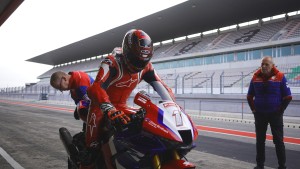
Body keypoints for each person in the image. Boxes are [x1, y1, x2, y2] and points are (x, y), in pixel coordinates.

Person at [80, 29, 175, 169]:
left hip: (122, 106)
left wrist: (173, 106)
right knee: (91, 150)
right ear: (126, 51)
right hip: (100, 105)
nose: (138, 64)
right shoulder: (111, 62)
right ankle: (87, 160)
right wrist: (109, 108)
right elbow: (96, 88)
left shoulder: (147, 67)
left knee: (146, 128)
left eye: (143, 61)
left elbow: (162, 87)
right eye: (136, 59)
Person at [247, 56, 292, 169]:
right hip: (260, 115)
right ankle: (260, 165)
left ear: (272, 65)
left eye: (267, 64)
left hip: (275, 115)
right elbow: (249, 96)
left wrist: (280, 111)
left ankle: (282, 166)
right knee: (260, 141)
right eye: (262, 64)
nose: (264, 66)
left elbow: (288, 96)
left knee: (278, 141)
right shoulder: (255, 78)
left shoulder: (280, 76)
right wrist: (254, 110)